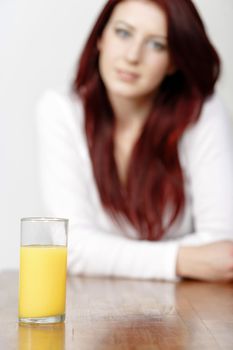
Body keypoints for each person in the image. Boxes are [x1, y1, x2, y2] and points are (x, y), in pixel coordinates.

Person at [36, 0, 233, 281]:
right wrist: (179, 259)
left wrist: (106, 254)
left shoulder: (202, 113)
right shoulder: (61, 111)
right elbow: (71, 247)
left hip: (185, 309)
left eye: (157, 45)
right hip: (93, 308)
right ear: (101, 38)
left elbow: (222, 252)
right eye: (124, 33)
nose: (132, 56)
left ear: (174, 61)